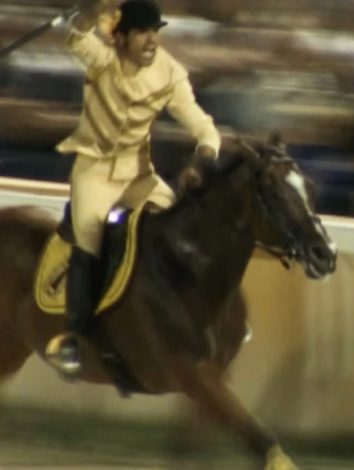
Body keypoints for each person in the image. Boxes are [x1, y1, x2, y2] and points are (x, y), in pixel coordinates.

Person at [46, 0, 222, 376]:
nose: (152, 41)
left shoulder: (170, 72)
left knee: (181, 228)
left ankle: (207, 313)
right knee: (89, 240)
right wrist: (95, 9)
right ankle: (75, 340)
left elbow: (202, 125)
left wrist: (202, 159)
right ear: (121, 37)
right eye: (143, 32)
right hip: (93, 172)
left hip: (138, 176)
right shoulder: (101, 58)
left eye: (155, 32)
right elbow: (76, 34)